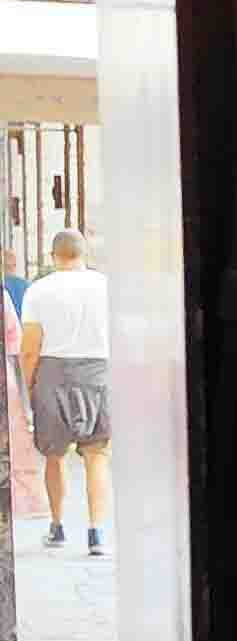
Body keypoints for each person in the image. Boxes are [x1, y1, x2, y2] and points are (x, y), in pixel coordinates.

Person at [19, 228, 113, 556]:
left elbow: (30, 348)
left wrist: (28, 387)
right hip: (98, 373)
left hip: (52, 375)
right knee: (97, 455)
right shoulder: (106, 287)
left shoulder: (38, 291)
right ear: (84, 253)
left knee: (54, 454)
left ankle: (58, 527)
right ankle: (96, 533)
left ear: (53, 256)